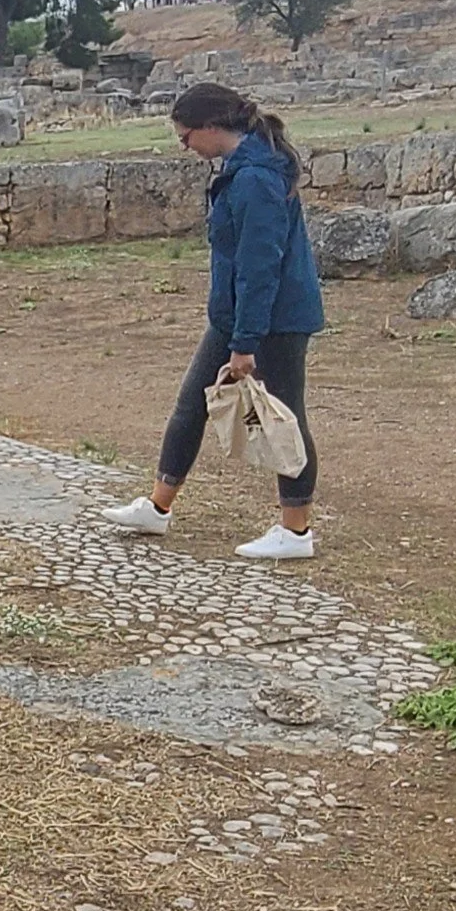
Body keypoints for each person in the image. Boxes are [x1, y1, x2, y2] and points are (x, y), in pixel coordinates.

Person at [100, 81, 325, 559]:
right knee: (190, 406)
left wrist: (246, 343)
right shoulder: (239, 170)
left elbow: (260, 266)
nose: (184, 147)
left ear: (211, 127)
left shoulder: (256, 179)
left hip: (274, 320)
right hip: (234, 316)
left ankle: (296, 530)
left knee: (284, 417)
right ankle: (158, 507)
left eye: (186, 137)